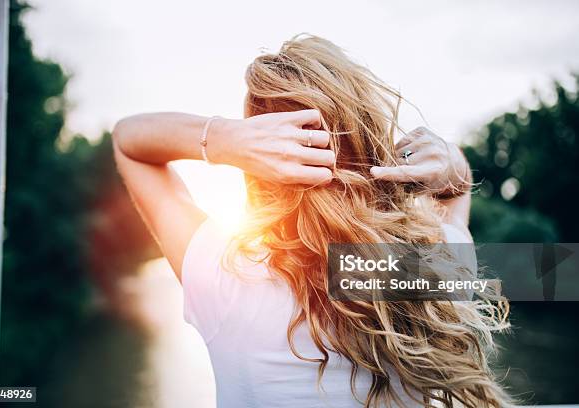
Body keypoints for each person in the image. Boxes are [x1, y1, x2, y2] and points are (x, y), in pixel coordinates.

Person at [112, 35, 511, 408]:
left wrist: (223, 139)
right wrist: (451, 158)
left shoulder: (224, 275)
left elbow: (129, 141)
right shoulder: (432, 264)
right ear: (367, 134)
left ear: (257, 161)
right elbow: (457, 191)